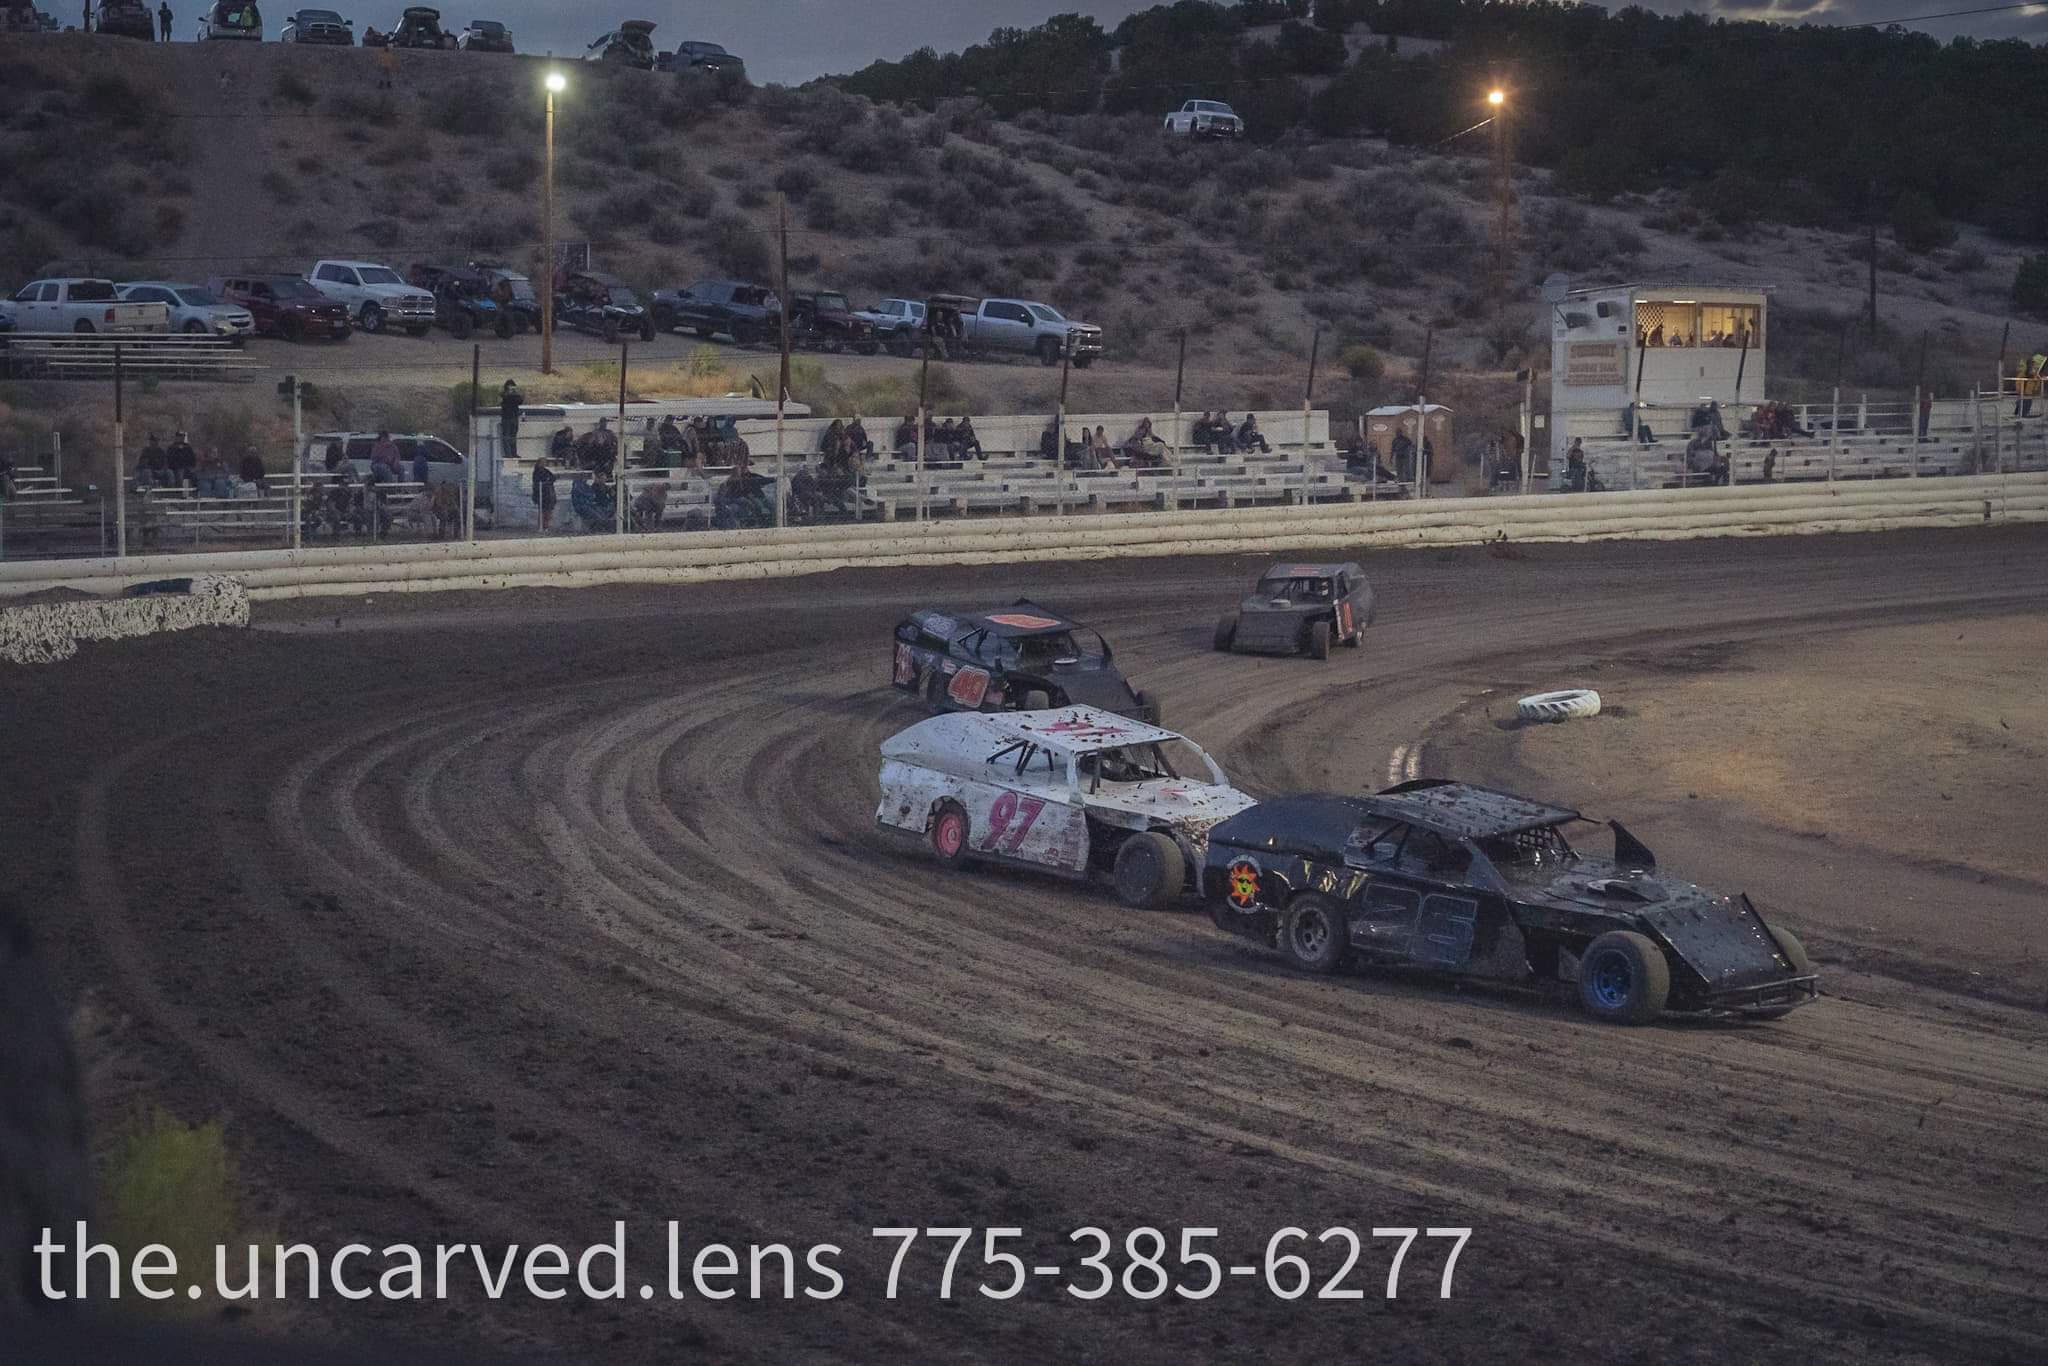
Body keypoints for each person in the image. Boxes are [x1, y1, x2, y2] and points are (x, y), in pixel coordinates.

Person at [498, 379, 522, 461]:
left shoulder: (516, 396)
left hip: (514, 417)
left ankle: (514, 452)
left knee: (513, 436)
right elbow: (504, 398)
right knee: (507, 436)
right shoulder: (504, 395)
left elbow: (520, 401)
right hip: (506, 418)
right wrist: (509, 393)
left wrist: (514, 393)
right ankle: (508, 454)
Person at [531, 457, 557, 531]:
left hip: (548, 493)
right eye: (542, 462)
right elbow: (537, 482)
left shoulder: (546, 470)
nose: (543, 464)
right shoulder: (536, 471)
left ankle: (546, 526)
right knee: (542, 511)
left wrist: (548, 481)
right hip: (541, 494)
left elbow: (553, 477)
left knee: (548, 511)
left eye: (544, 462)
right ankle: (541, 526)